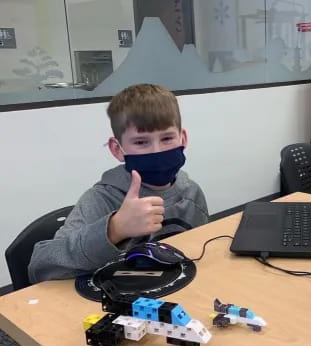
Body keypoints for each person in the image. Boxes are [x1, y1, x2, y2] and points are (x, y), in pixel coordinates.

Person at [28, 84, 208, 283]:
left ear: (182, 138)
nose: (156, 151)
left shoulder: (192, 192)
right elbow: (40, 267)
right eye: (141, 142)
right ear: (117, 149)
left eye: (167, 138)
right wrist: (114, 229)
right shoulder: (101, 199)